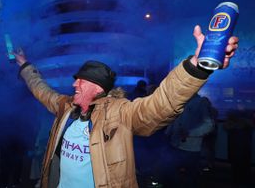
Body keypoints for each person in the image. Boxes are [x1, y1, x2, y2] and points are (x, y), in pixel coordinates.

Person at [13, 25, 238, 188]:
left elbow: (159, 106)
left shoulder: (119, 112)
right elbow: (41, 89)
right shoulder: (66, 107)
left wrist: (195, 68)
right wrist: (25, 66)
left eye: (80, 80)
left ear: (98, 88)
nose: (74, 84)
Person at [164, 93, 216, 187]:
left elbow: (209, 125)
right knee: (174, 177)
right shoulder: (180, 101)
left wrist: (190, 133)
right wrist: (168, 133)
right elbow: (175, 120)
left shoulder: (200, 102)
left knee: (189, 179)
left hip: (191, 149)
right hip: (175, 145)